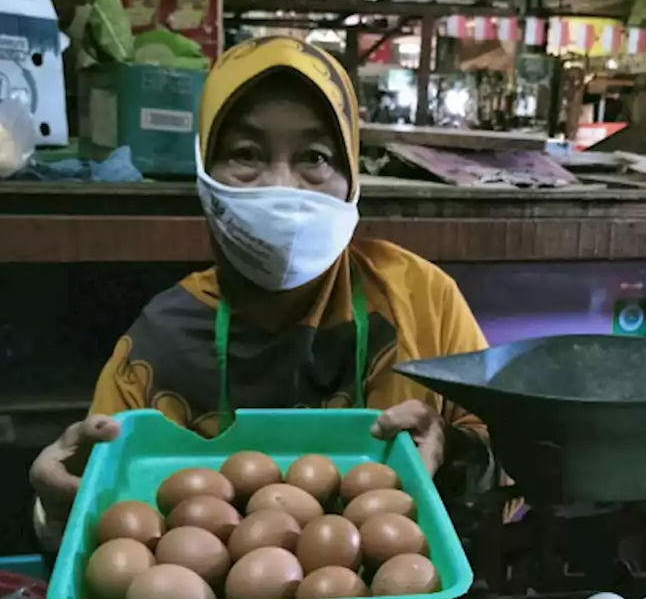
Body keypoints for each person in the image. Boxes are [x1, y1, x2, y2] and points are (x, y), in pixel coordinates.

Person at [30, 36, 494, 545]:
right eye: (246, 154)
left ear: (353, 177)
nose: (282, 186)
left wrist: (452, 454)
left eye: (315, 157)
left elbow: (507, 468)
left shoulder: (422, 303)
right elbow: (111, 544)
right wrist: (60, 514)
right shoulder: (158, 347)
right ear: (205, 173)